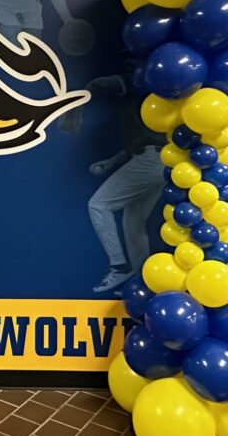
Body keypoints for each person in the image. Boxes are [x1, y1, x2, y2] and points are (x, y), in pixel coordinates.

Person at [61, 65, 166, 293]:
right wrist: (110, 162)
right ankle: (142, 283)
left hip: (152, 161)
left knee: (98, 205)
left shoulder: (139, 79)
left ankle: (118, 266)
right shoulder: (158, 88)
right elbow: (143, 145)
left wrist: (75, 108)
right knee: (133, 223)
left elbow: (98, 84)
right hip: (160, 160)